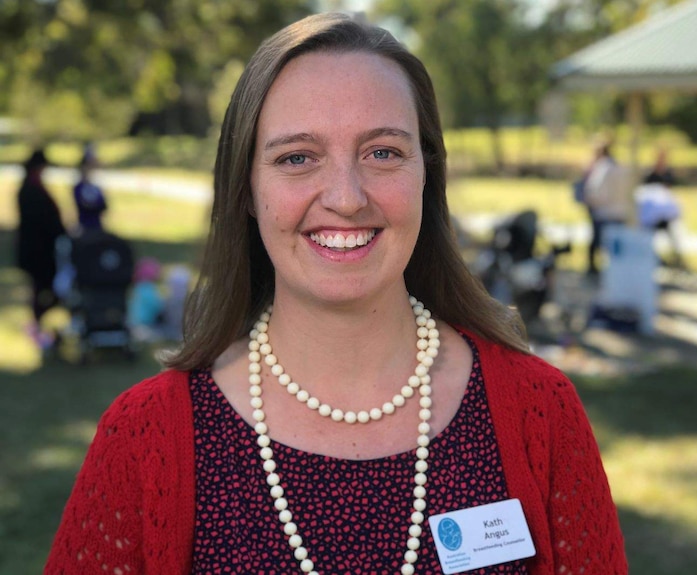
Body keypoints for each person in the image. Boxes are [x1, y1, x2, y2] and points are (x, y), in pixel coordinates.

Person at [45, 13, 627, 574]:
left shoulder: (541, 414)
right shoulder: (145, 438)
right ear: (245, 188)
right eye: (297, 157)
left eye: (383, 153)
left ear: (428, 173)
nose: (346, 198)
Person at [14, 148, 66, 349]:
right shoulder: (30, 190)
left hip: (42, 249)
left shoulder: (32, 187)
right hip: (38, 251)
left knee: (45, 288)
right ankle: (37, 324)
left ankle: (39, 323)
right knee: (42, 288)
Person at [582, 139, 629, 275]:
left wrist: (590, 201)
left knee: (597, 243)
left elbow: (596, 191)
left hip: (605, 213)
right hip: (619, 213)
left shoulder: (603, 167)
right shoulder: (620, 167)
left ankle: (593, 270)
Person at [72, 144, 108, 231]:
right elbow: (83, 205)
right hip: (85, 226)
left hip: (97, 226)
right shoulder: (79, 187)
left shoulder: (95, 187)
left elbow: (104, 205)